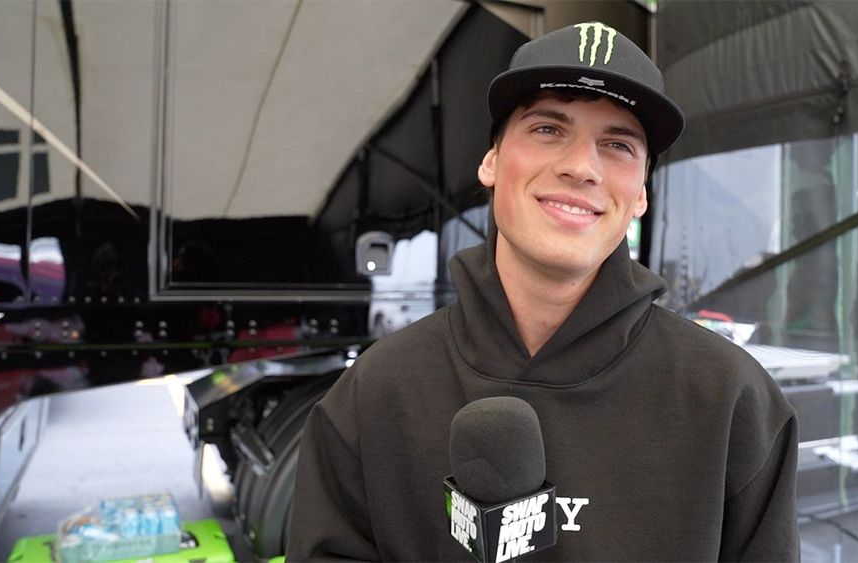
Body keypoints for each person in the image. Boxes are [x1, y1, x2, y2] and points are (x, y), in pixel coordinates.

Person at [287, 21, 799, 561]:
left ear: (640, 195)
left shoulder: (732, 401)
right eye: (548, 129)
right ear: (491, 162)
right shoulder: (375, 393)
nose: (581, 167)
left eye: (618, 144)